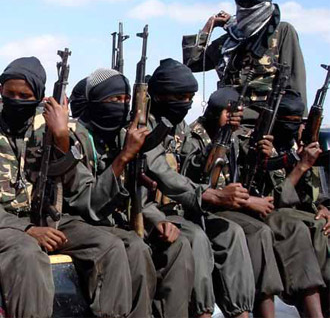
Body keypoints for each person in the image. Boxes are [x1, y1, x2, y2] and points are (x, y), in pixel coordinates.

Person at [0, 57, 134, 317]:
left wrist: (62, 138)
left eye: (25, 95)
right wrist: (28, 229)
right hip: (1, 228)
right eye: (10, 94)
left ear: (39, 97)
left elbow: (79, 188)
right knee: (27, 254)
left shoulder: (56, 129)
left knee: (110, 246)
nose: (17, 100)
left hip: (53, 221)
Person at [67, 68, 194, 318]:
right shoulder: (75, 138)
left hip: (119, 222)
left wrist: (158, 221)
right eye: (114, 100)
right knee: (134, 248)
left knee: (178, 245)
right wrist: (124, 157)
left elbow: (140, 193)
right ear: (96, 100)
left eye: (125, 100)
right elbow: (86, 204)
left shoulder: (123, 135)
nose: (121, 106)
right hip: (82, 223)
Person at [143, 58, 255, 318]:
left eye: (190, 98)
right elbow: (161, 170)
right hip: (151, 210)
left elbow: (191, 167)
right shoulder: (143, 124)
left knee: (231, 233)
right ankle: (203, 311)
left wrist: (223, 136)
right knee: (196, 238)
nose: (186, 103)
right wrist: (207, 194)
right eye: (179, 96)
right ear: (159, 95)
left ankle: (241, 312)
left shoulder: (177, 123)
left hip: (182, 208)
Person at [180, 87, 283, 318]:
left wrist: (264, 153)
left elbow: (254, 172)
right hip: (203, 209)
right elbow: (201, 181)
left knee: (262, 232)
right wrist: (247, 202)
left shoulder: (237, 135)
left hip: (227, 206)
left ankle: (255, 309)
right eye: (227, 113)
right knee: (233, 233)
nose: (232, 118)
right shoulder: (194, 135)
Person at [246, 90, 329, 318]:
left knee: (321, 226)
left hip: (301, 214)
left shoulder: (298, 145)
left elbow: (315, 195)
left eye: (297, 122)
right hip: (268, 214)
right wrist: (301, 166)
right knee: (298, 229)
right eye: (288, 122)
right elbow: (273, 200)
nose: (294, 127)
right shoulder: (260, 146)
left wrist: (325, 208)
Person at [182, 0, 307, 117]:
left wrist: (301, 119)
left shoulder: (281, 31)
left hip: (258, 117)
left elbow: (295, 78)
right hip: (223, 114)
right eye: (242, 3)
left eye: (251, 4)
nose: (245, 9)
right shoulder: (230, 40)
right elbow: (193, 63)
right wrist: (208, 27)